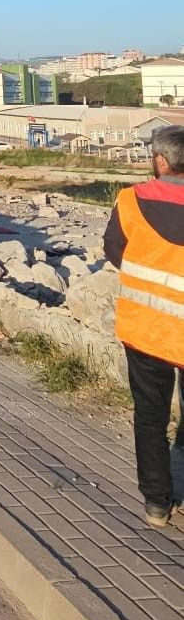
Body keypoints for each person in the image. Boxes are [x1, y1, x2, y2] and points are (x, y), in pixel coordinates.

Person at [105, 125, 184, 527]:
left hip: (146, 328)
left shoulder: (129, 201)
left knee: (150, 417)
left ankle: (157, 504)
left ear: (160, 161)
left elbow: (115, 251)